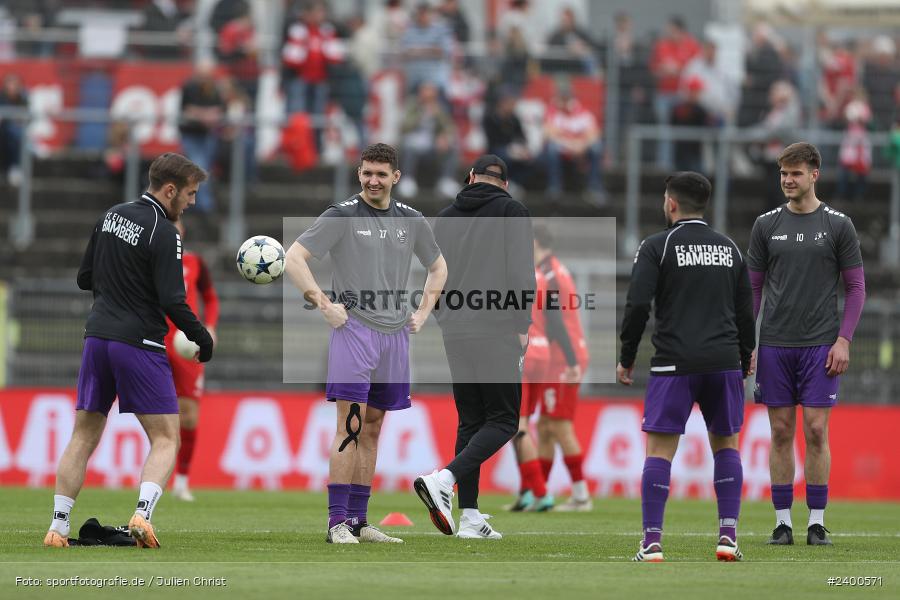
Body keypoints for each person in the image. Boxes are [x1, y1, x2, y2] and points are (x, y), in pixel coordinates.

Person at [43, 153, 215, 549]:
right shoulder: (165, 231)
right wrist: (201, 337)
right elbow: (174, 300)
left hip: (96, 337)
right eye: (189, 194)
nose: (191, 202)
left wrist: (119, 285)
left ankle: (58, 526)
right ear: (169, 190)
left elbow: (84, 276)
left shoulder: (111, 215)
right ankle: (142, 513)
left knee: (83, 435)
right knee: (166, 438)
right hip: (139, 343)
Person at [285, 143, 447, 544]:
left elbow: (439, 266)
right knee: (351, 426)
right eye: (367, 173)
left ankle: (359, 521)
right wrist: (324, 305)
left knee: (372, 428)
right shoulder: (341, 215)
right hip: (355, 331)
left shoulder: (411, 219)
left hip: (395, 336)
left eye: (381, 174)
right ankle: (336, 522)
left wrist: (424, 313)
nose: (373, 180)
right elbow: (293, 258)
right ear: (359, 174)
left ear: (396, 177)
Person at [618, 171, 755, 562]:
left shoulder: (657, 246)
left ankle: (653, 542)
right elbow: (746, 311)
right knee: (727, 444)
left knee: (659, 452)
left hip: (673, 364)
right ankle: (728, 537)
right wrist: (746, 357)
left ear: (671, 203)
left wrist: (627, 357)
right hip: (724, 362)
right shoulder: (730, 248)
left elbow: (638, 305)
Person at [747, 142, 866, 547]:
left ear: (814, 174)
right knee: (780, 431)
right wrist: (749, 340)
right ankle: (783, 523)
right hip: (776, 344)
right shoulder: (765, 225)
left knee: (815, 430)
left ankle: (816, 521)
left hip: (820, 345)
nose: (787, 180)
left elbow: (856, 287)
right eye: (783, 173)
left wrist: (844, 339)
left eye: (795, 173)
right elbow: (753, 288)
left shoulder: (838, 225)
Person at [415, 154, 534, 540]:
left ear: (470, 177)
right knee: (503, 420)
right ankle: (444, 479)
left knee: (471, 421)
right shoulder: (512, 212)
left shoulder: (447, 216)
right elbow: (520, 271)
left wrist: (445, 318)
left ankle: (469, 517)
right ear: (505, 183)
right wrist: (521, 324)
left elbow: (434, 272)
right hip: (497, 328)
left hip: (456, 331)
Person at [531, 224, 591, 512]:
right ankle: (540, 495)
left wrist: (569, 360)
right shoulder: (553, 270)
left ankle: (581, 496)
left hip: (561, 359)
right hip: (559, 356)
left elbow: (555, 321)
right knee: (544, 426)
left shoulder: (549, 275)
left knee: (559, 425)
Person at [166, 219, 220, 502]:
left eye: (178, 224)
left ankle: (182, 481)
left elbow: (210, 297)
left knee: (188, 415)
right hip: (155, 340)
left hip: (187, 344)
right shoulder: (148, 261)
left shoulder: (195, 262)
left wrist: (210, 327)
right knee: (157, 414)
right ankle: (156, 475)